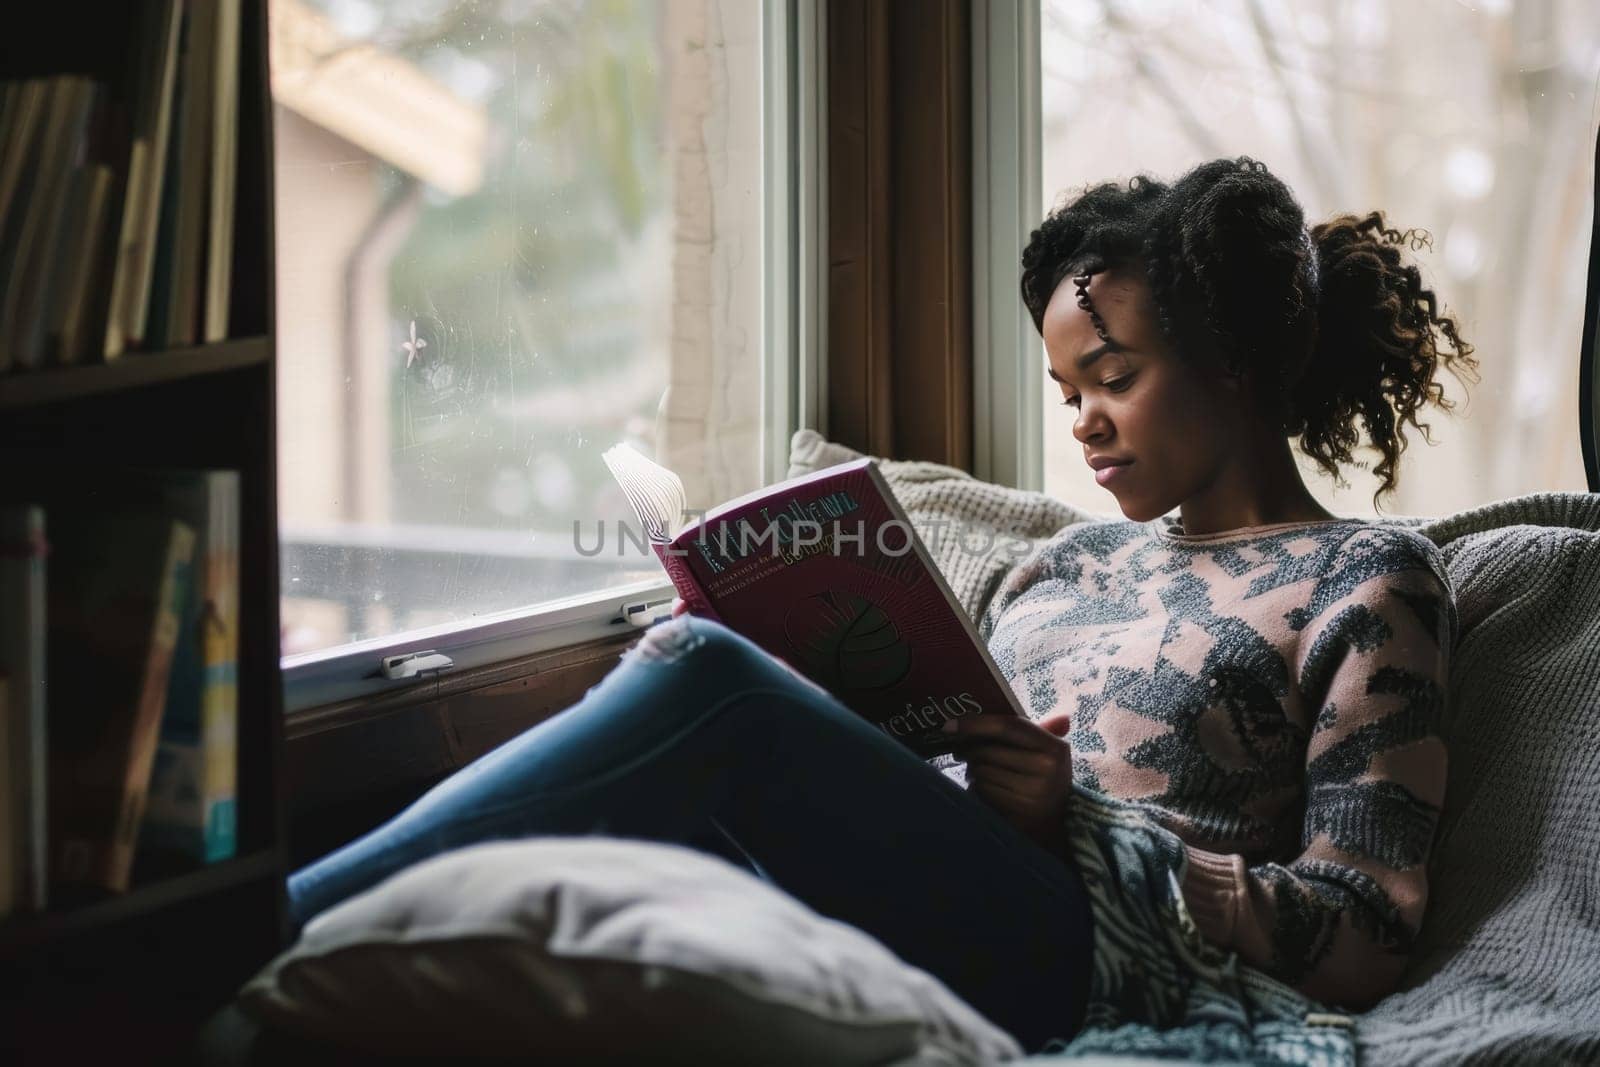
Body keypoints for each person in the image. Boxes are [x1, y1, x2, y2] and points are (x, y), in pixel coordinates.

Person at [287, 156, 1474, 1051]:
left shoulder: (1366, 576)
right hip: (924, 870)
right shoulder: (1061, 567)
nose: (1085, 425)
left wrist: (1089, 830)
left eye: (1114, 379)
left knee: (698, 676)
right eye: (1066, 392)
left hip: (1102, 952)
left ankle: (241, 936)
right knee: (694, 702)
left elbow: (1365, 927)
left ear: (1234, 360)